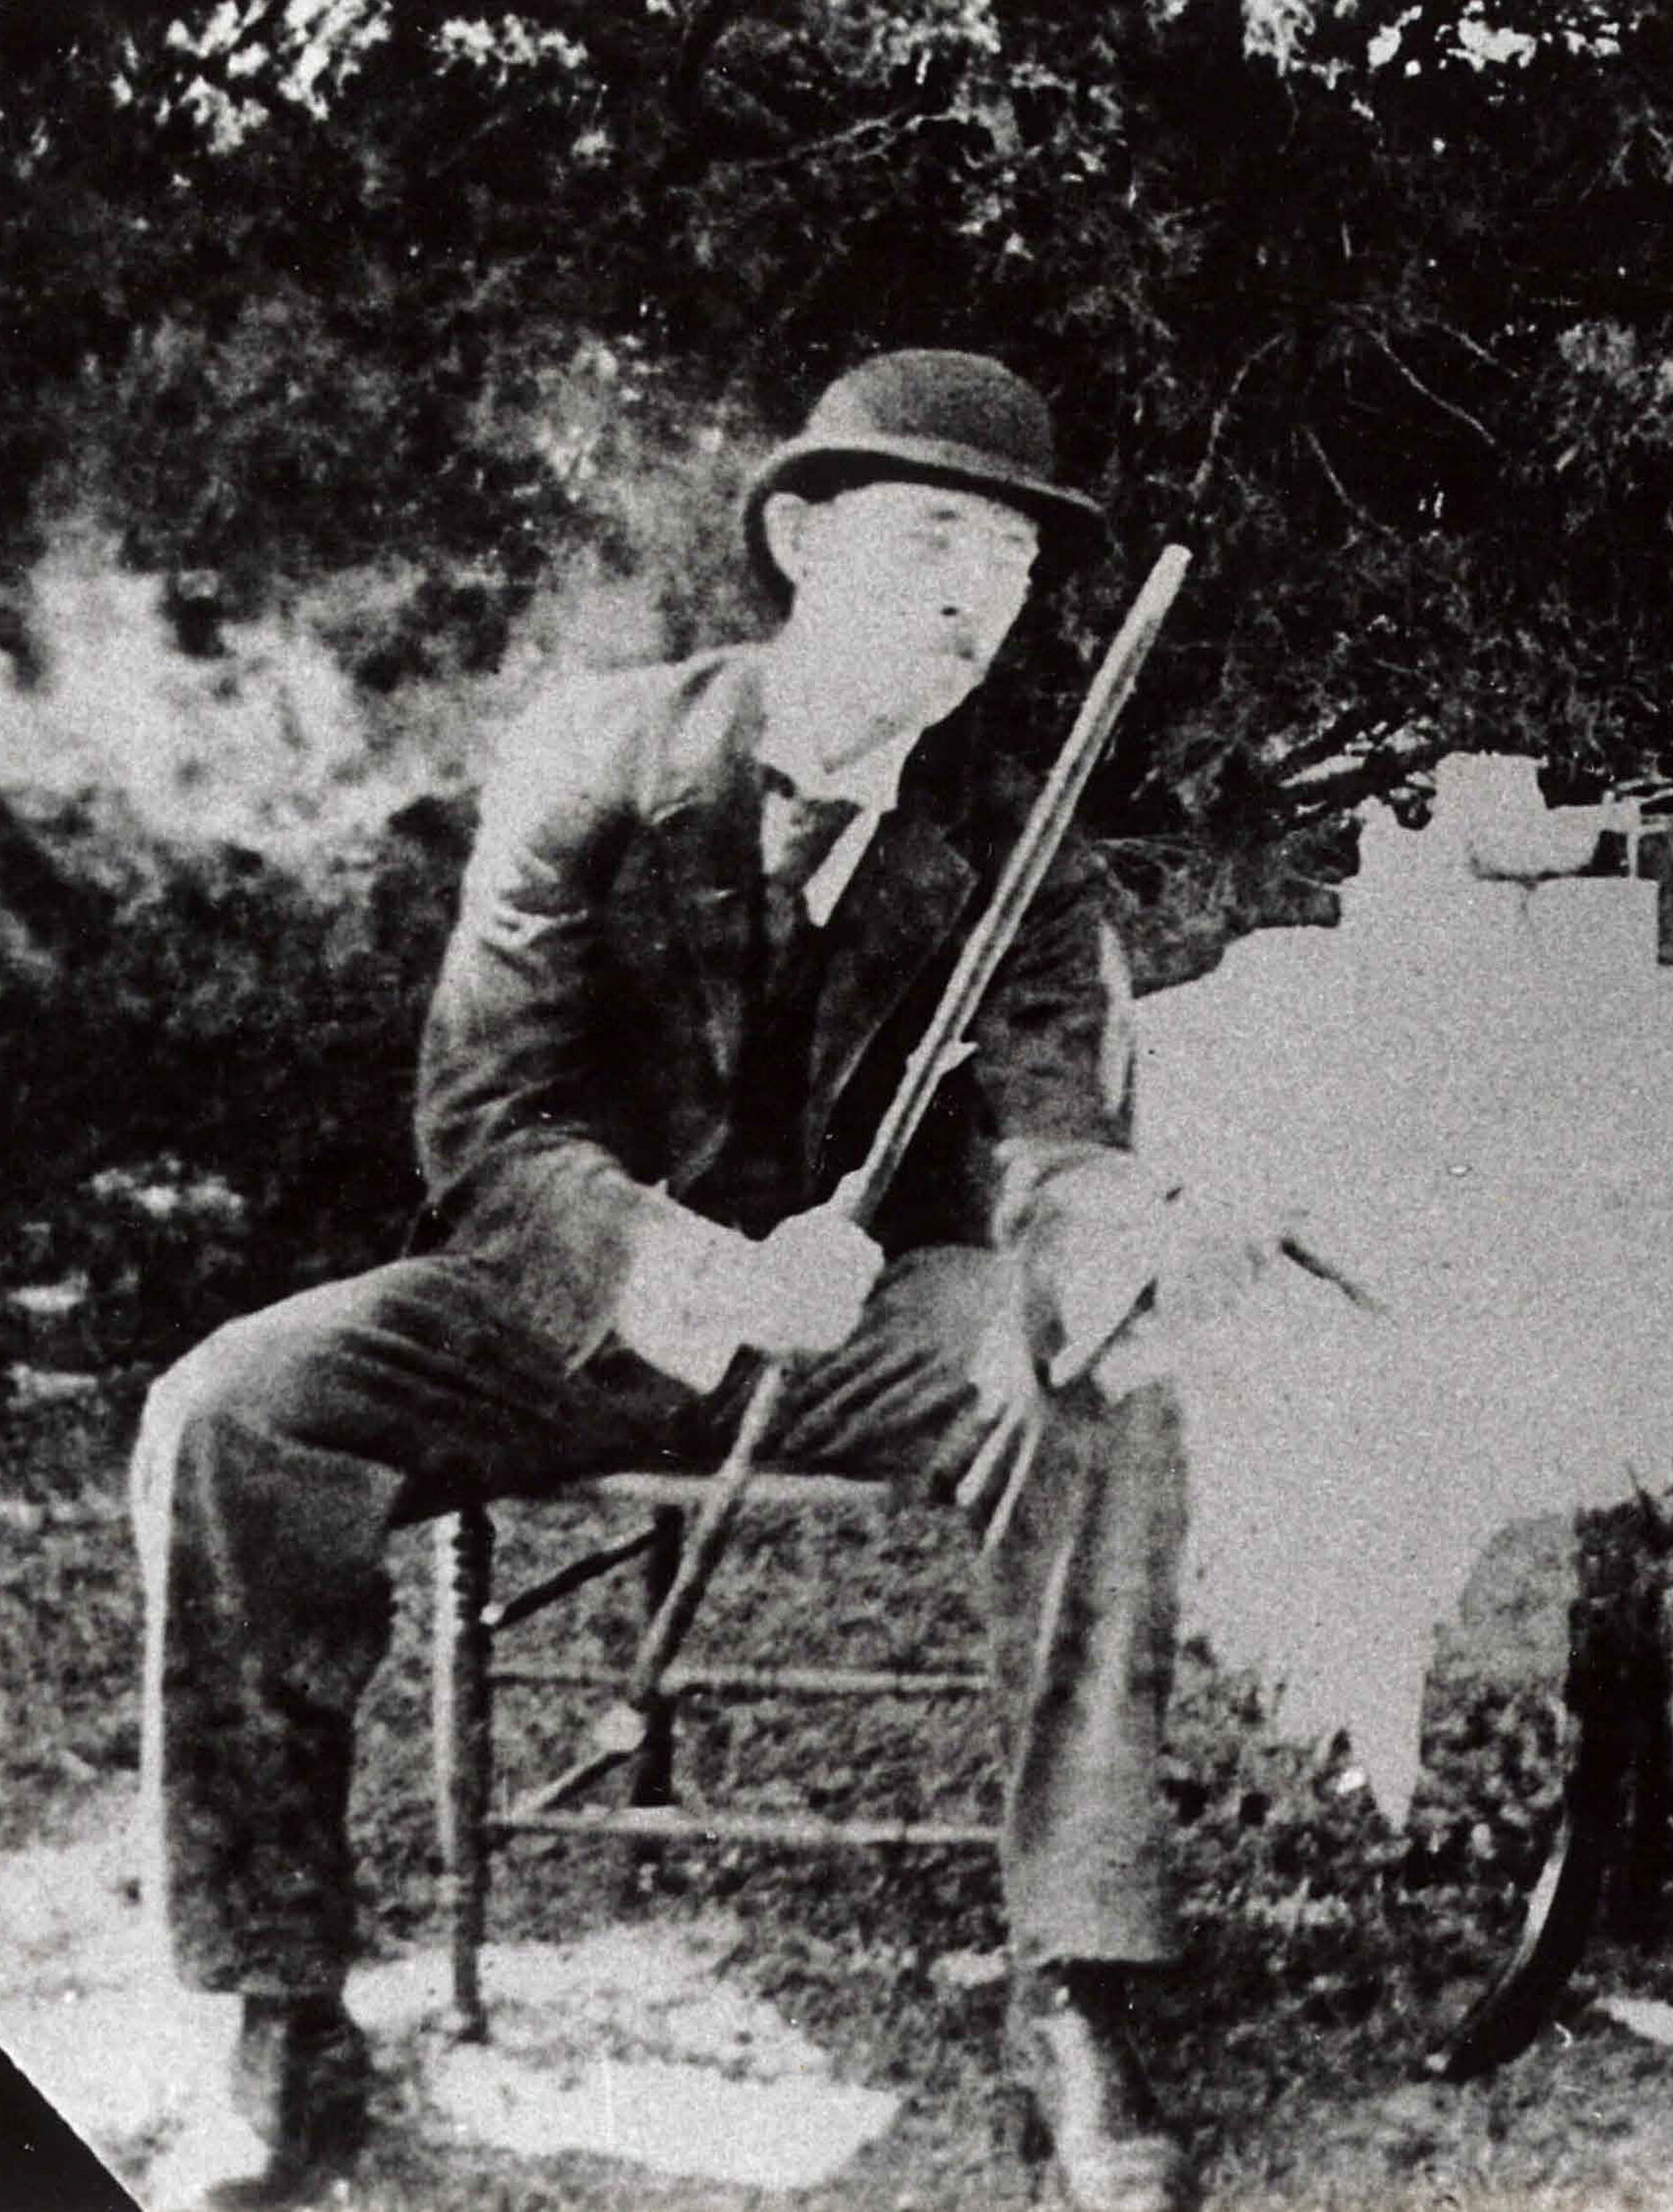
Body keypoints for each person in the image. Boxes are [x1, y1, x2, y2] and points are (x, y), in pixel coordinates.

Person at [130, 349, 1270, 2212]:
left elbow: (1051, 1137)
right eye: (927, 540)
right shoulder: (600, 755)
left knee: (1097, 1394)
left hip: (875, 1328)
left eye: (1005, 559)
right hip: (565, 1310)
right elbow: (484, 1130)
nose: (970, 597)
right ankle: (278, 2005)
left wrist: (1097, 1245)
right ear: (803, 540)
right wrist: (706, 1269)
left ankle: (1074, 1990)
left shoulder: (1012, 840)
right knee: (228, 1411)